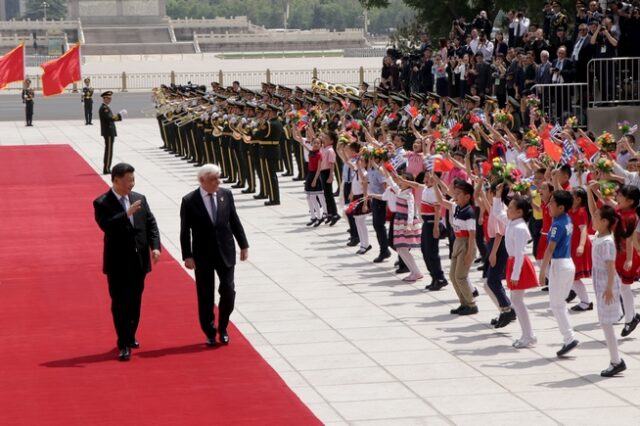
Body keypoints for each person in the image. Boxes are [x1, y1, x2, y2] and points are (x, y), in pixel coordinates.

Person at [93, 163, 161, 361]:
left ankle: (130, 334)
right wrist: (126, 214)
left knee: (134, 301)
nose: (132, 183)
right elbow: (106, 225)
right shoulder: (102, 202)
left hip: (139, 261)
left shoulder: (139, 198)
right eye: (128, 180)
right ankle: (123, 342)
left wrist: (155, 247)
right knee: (119, 303)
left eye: (133, 179)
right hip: (117, 263)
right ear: (115, 180)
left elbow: (151, 223)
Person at [180, 164, 249, 346]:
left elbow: (234, 220)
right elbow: (185, 231)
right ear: (202, 181)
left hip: (225, 251)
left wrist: (243, 244)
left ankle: (223, 326)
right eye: (213, 179)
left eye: (219, 178)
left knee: (228, 290)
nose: (218, 182)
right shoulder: (189, 200)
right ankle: (210, 331)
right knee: (205, 295)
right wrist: (187, 255)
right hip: (203, 254)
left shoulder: (226, 195)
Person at [539, 190, 580, 357]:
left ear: (561, 207)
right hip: (566, 263)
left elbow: (550, 249)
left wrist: (542, 272)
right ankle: (569, 337)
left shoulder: (557, 225)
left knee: (556, 305)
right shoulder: (566, 219)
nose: (549, 206)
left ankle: (569, 338)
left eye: (552, 203)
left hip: (560, 265)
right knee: (560, 304)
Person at [99, 91, 127, 175]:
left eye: (110, 98)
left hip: (109, 131)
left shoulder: (106, 107)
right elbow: (110, 118)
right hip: (108, 132)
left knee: (109, 150)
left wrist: (119, 116)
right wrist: (120, 115)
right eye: (108, 98)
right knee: (109, 151)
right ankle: (106, 168)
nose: (110, 100)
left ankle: (107, 167)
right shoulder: (104, 108)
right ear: (104, 98)